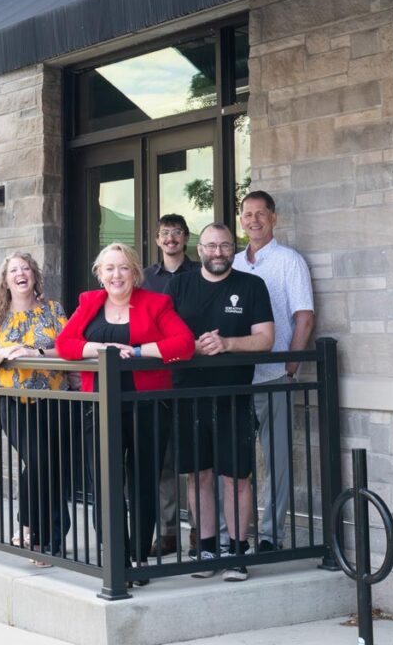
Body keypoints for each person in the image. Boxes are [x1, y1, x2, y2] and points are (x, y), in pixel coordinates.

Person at [56, 242, 194, 584]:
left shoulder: (156, 303)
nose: (116, 275)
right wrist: (101, 349)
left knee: (144, 482)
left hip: (147, 406)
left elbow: (184, 345)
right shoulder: (89, 303)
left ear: (135, 272)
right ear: (100, 274)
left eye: (123, 268)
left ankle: (138, 557)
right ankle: (114, 554)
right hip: (100, 404)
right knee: (105, 481)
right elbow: (64, 345)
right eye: (109, 268)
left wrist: (134, 350)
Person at [169, 223, 274, 582]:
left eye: (225, 246)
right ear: (199, 249)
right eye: (211, 245)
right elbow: (164, 335)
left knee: (236, 478)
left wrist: (227, 344)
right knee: (199, 475)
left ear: (234, 248)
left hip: (234, 396)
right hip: (188, 395)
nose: (218, 252)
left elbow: (266, 340)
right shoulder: (178, 285)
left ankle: (237, 551)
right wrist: (191, 346)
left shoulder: (251, 286)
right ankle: (207, 548)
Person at [0, 251, 70, 566]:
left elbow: (70, 348)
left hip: (56, 400)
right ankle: (29, 527)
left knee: (53, 468)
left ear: (35, 276)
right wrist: (5, 352)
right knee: (39, 459)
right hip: (14, 400)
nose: (20, 274)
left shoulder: (53, 309)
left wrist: (38, 351)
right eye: (14, 270)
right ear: (6, 279)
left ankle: (52, 539)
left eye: (25, 268)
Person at [232, 190, 315, 550]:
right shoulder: (231, 263)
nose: (253, 220)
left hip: (274, 376)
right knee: (233, 462)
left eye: (260, 214)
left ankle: (270, 535)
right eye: (247, 214)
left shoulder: (288, 261)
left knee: (276, 458)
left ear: (273, 218)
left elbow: (304, 318)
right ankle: (233, 535)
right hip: (234, 378)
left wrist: (290, 366)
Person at [142, 213, 197, 556]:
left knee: (194, 458)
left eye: (177, 233)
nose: (171, 238)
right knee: (162, 459)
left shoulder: (199, 273)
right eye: (165, 234)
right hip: (158, 378)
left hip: (193, 376)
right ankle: (167, 531)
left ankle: (199, 532)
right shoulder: (146, 278)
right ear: (158, 240)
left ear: (185, 238)